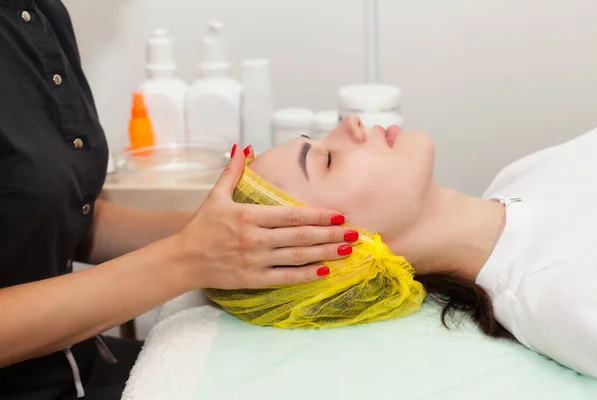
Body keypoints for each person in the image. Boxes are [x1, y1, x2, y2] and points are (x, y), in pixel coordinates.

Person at [0, 2, 358, 399]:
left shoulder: (36, 13)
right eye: (321, 157)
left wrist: (239, 235)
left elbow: (55, 220)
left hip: (76, 367)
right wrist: (185, 259)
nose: (354, 126)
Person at [214, 114, 597, 380]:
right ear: (347, 253)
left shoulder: (516, 179)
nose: (350, 123)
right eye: (327, 159)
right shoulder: (565, 299)